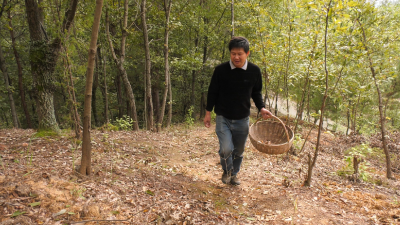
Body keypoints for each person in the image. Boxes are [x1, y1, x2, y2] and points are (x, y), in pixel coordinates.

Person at [203, 36, 272, 185]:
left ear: (247, 53)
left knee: (239, 151)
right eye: (233, 53)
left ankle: (234, 174)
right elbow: (212, 91)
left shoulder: (254, 71)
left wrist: (262, 108)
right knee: (226, 149)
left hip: (242, 118)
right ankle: (227, 171)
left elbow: (256, 92)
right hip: (223, 116)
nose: (236, 57)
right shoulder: (220, 70)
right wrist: (208, 112)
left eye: (239, 53)